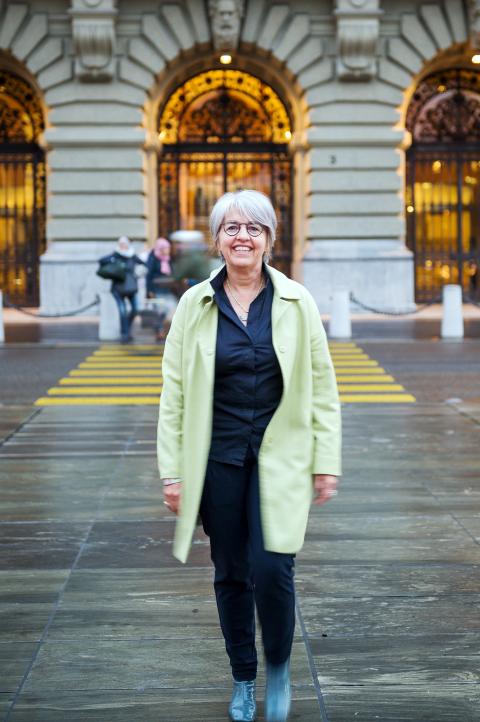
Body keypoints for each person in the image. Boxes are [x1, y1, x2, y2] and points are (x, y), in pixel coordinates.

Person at [157, 190, 341, 722]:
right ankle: (243, 677)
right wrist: (172, 473)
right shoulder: (194, 304)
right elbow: (173, 395)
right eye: (232, 227)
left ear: (269, 239)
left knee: (273, 567)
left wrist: (325, 459)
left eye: (254, 228)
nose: (243, 236)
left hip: (280, 459)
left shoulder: (296, 301)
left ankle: (278, 666)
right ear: (217, 239)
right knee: (232, 572)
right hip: (217, 461)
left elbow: (322, 386)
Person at [100, 236, 145, 343]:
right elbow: (101, 261)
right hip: (118, 288)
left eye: (124, 244)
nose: (123, 246)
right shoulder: (115, 255)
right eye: (121, 244)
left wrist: (139, 272)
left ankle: (127, 329)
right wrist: (112, 259)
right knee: (122, 311)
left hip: (131, 288)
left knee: (135, 310)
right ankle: (124, 334)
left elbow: (143, 264)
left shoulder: (132, 255)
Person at [145, 237, 177, 340]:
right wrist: (149, 290)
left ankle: (164, 330)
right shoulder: (153, 258)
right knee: (159, 311)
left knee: (171, 310)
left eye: (168, 248)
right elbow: (148, 276)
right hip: (156, 289)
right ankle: (159, 332)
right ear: (161, 248)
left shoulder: (168, 259)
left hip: (167, 289)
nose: (168, 250)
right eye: (166, 248)